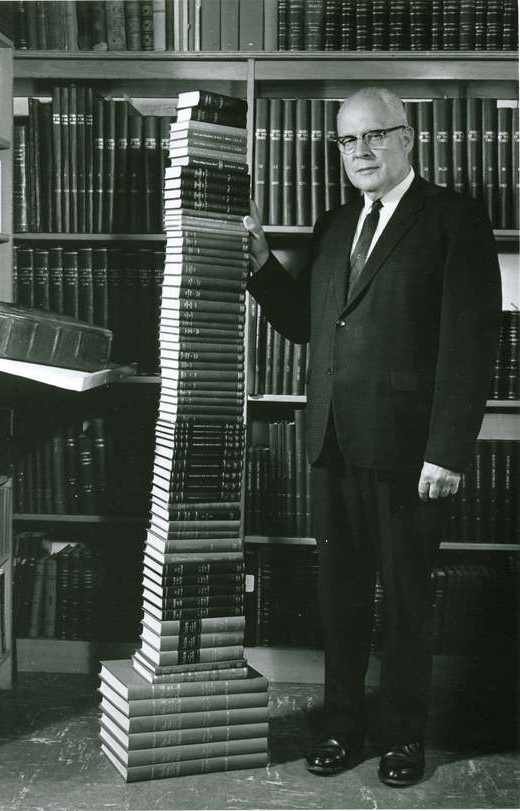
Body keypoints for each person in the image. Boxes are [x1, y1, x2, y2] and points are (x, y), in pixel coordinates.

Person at [244, 87, 502, 787]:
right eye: (348, 140)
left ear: (407, 138)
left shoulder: (452, 218)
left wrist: (447, 450)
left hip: (409, 451)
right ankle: (341, 727)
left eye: (374, 135)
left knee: (407, 601)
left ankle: (403, 737)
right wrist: (262, 264)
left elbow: (471, 343)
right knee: (341, 599)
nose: (360, 151)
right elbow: (306, 324)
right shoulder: (334, 224)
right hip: (331, 441)